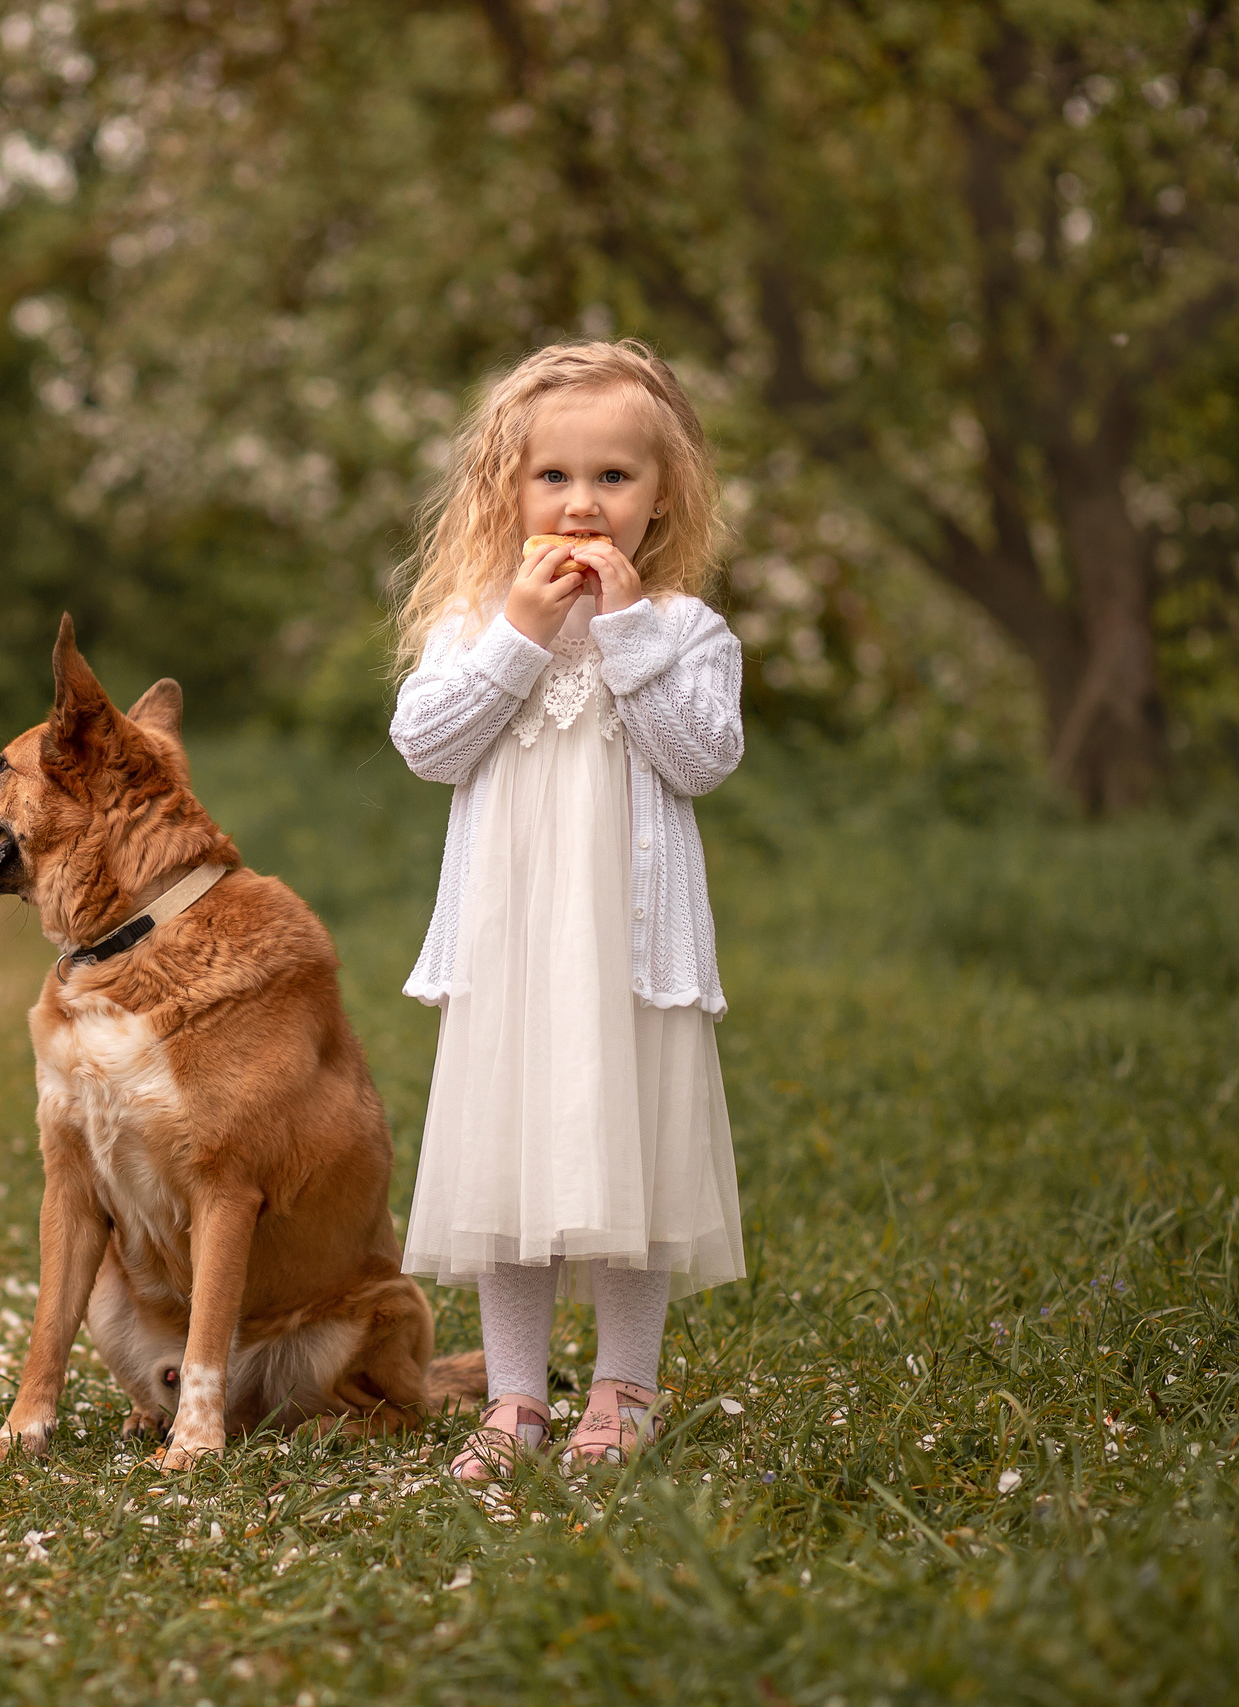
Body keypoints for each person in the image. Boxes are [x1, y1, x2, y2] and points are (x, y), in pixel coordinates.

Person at [389, 341, 748, 1480]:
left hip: (627, 955)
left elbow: (700, 760)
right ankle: (512, 1400)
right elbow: (428, 747)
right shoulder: (472, 624)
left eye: (612, 478)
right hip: (514, 951)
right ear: (509, 492)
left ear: (662, 496)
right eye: (553, 477)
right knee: (510, 1168)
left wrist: (630, 632)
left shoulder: (685, 630)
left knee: (631, 1162)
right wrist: (519, 633)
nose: (582, 504)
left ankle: (623, 1389)